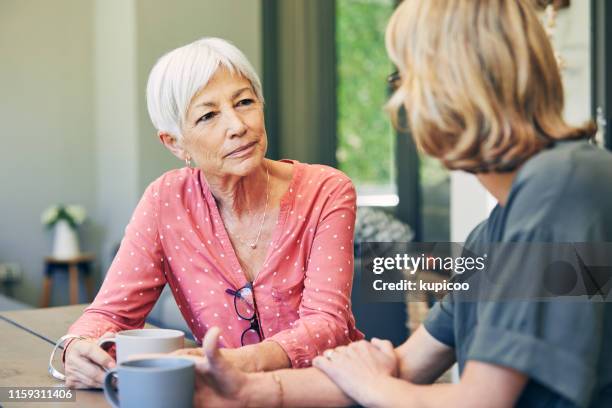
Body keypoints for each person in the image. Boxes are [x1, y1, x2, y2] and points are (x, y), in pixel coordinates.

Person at [189, 1, 612, 407]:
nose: (401, 101)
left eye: (406, 77)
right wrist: (241, 390)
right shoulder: (498, 229)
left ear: (456, 85)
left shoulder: (562, 186)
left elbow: (481, 400)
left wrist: (373, 385)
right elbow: (408, 366)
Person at [56, 37, 363, 389]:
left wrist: (231, 362)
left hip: (326, 392)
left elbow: (328, 324)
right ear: (175, 142)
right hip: (228, 397)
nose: (237, 125)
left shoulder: (326, 190)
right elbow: (110, 313)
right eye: (208, 115)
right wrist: (76, 348)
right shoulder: (165, 201)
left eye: (245, 102)